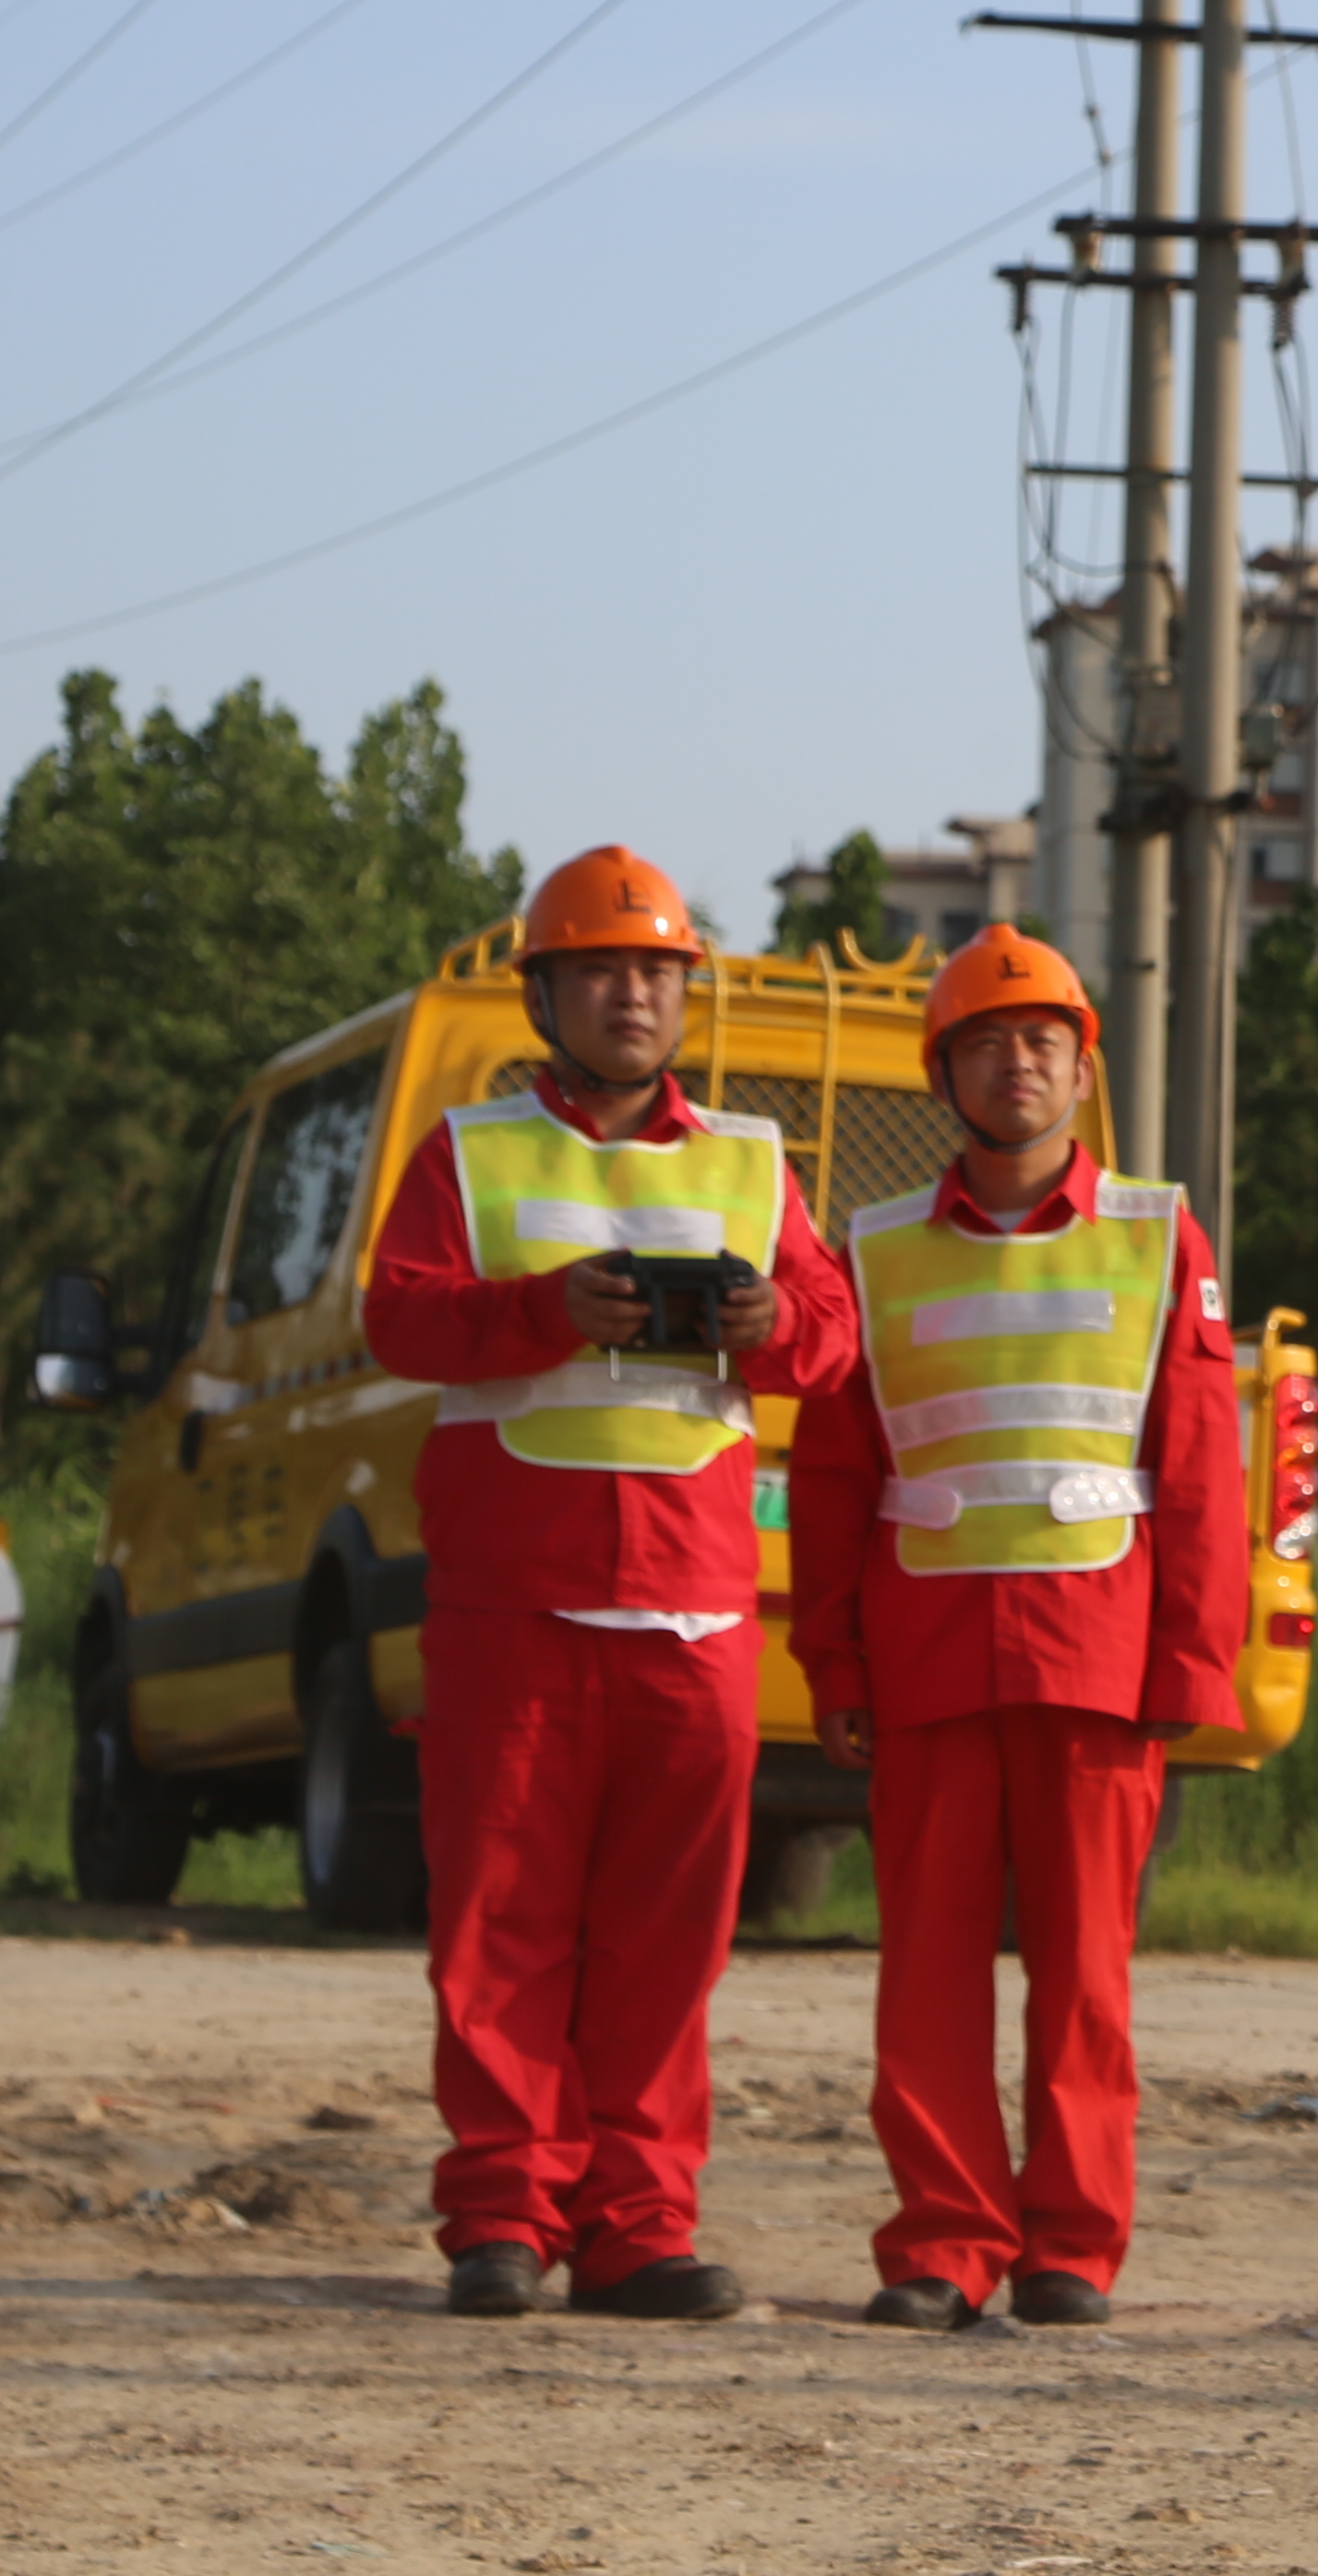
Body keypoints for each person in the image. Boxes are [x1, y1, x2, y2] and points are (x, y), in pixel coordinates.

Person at [358, 845, 861, 2323]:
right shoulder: (470, 1152)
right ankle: (503, 2220)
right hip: (516, 1606)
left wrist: (769, 1321)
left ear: (682, 993)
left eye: (656, 971)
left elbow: (831, 1343)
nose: (633, 993)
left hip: (695, 1612)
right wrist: (540, 1311)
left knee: (667, 1940)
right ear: (548, 992)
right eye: (603, 969)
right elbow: (399, 1318)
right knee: (500, 1923)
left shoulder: (754, 1163)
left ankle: (638, 2224)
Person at [791, 924, 1247, 2330]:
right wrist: (834, 1661)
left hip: (1099, 1659)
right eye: (987, 1043)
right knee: (923, 1975)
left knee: (1083, 1977)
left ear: (1080, 1066)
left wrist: (1192, 1661)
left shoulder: (1155, 1232)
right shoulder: (870, 1249)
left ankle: (1069, 2247)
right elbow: (833, 1475)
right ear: (945, 1072)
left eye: (1043, 1041)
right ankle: (940, 2244)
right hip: (926, 1662)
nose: (1018, 1064)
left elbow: (1200, 1465)